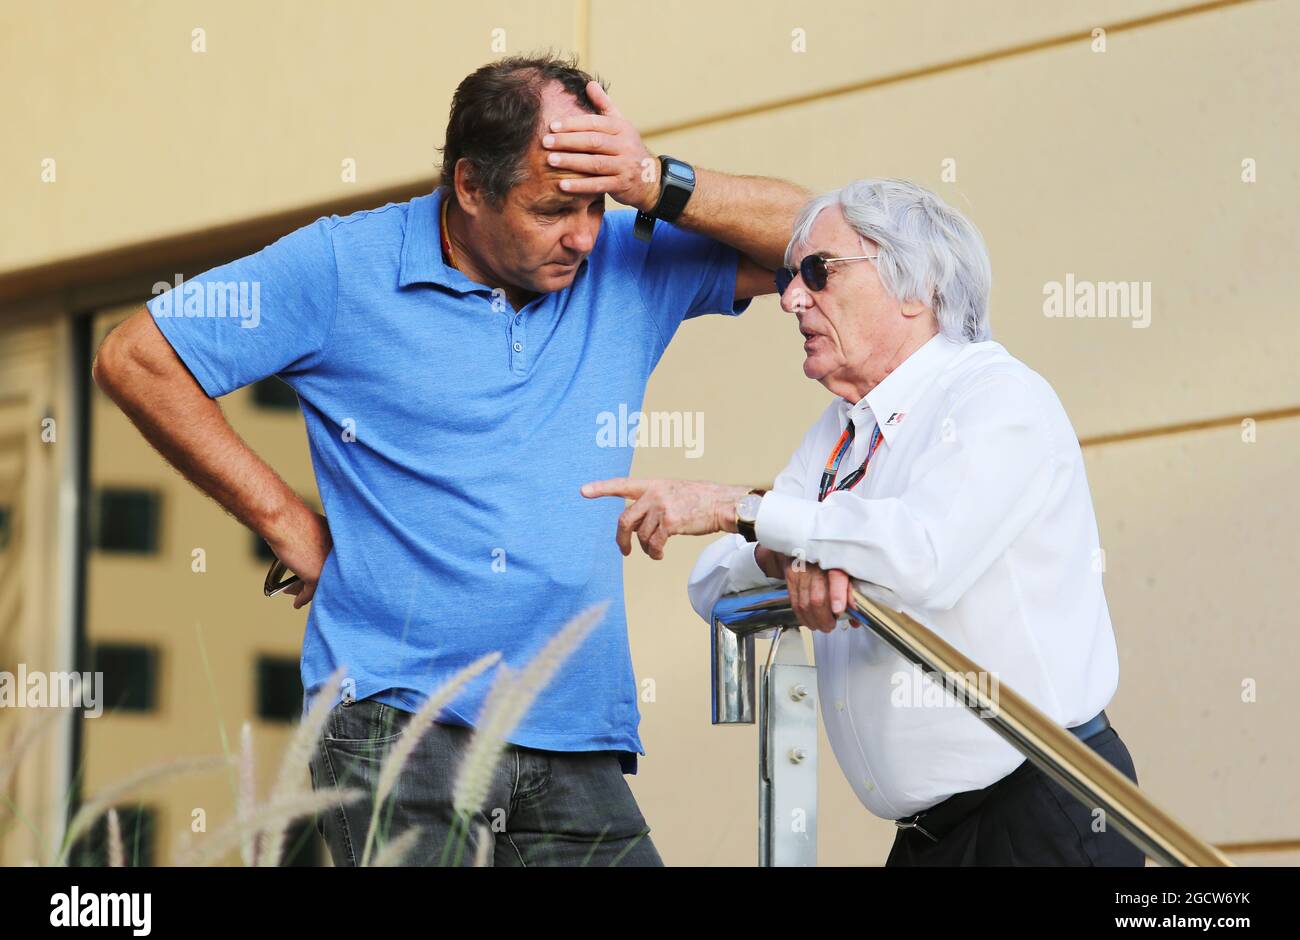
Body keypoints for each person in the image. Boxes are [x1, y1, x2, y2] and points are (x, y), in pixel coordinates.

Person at [92, 53, 809, 867]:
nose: (582, 233)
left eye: (596, 202)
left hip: (577, 724)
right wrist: (284, 521)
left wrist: (653, 180)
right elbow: (138, 358)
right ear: (469, 187)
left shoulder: (623, 255)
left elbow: (823, 242)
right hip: (399, 723)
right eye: (551, 208)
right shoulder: (339, 266)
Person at [581, 178, 1144, 866]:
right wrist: (783, 554)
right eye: (792, 276)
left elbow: (922, 557)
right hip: (928, 838)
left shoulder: (995, 396)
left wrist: (741, 509)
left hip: (1043, 808)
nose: (790, 296)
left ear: (917, 288)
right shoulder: (842, 427)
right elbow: (713, 588)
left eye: (816, 271)